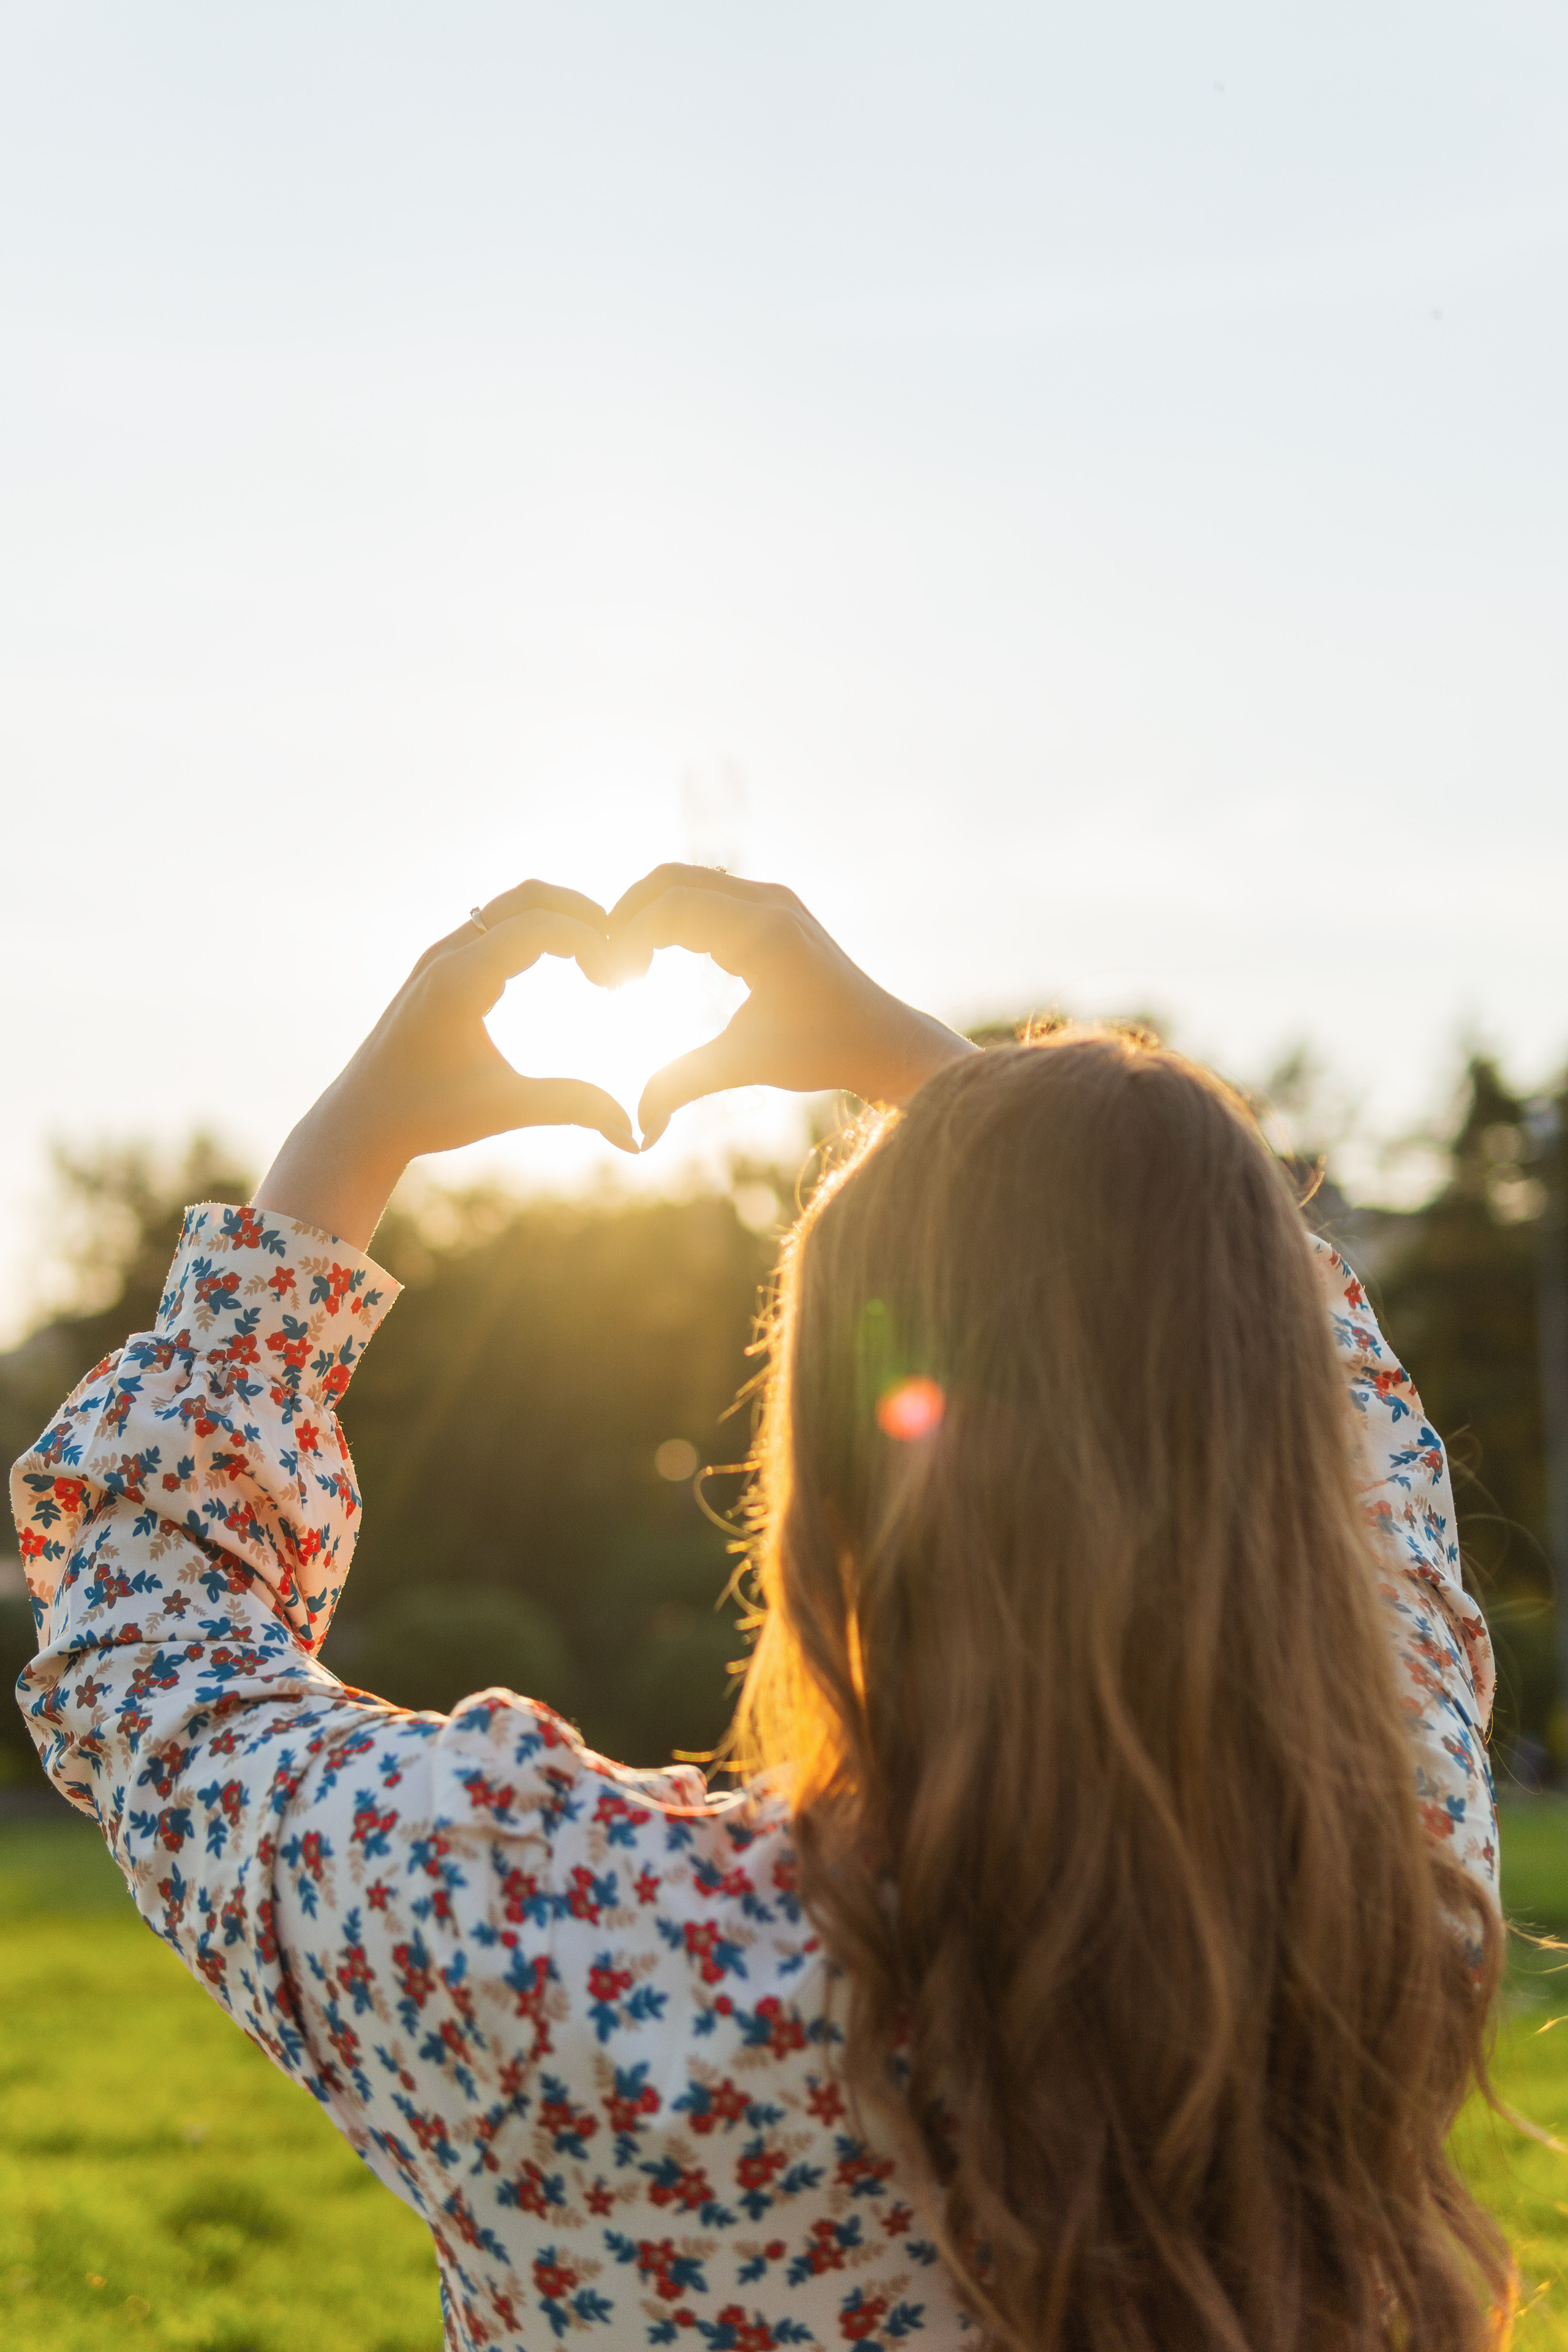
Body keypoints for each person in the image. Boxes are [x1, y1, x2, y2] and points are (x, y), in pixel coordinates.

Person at [12, 869, 1510, 2352]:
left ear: (839, 1478)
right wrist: (968, 1096)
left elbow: (148, 1650)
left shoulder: (565, 1949)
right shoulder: (1387, 1886)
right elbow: (1340, 1441)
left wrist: (348, 1146)